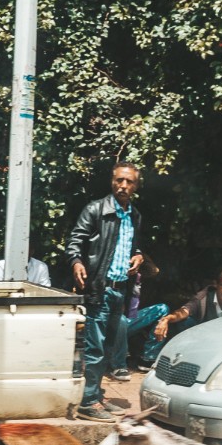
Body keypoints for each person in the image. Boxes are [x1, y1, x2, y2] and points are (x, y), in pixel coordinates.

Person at [64, 162, 143, 421]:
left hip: (121, 290)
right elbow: (75, 240)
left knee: (108, 349)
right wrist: (77, 262)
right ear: (112, 181)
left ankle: (96, 395)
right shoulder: (96, 209)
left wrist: (139, 256)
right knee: (94, 348)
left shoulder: (134, 216)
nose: (123, 185)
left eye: (128, 182)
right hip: (100, 287)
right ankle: (87, 402)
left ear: (135, 185)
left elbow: (134, 246)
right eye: (119, 180)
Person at [154, 262, 222, 347]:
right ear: (216, 284)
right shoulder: (203, 297)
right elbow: (184, 311)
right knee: (185, 321)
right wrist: (166, 319)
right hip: (204, 339)